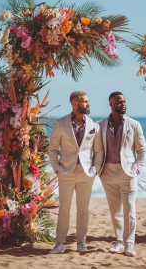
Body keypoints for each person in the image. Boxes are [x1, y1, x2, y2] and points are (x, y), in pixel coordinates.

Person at [48, 90, 103, 254]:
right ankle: (60, 243)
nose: (88, 104)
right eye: (85, 101)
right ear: (74, 103)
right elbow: (52, 149)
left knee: (83, 209)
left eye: (87, 101)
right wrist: (57, 168)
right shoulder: (60, 123)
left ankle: (81, 243)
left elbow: (98, 151)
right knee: (64, 208)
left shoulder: (94, 125)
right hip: (66, 172)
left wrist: (95, 169)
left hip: (86, 173)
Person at [98, 91, 146, 257]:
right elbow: (96, 150)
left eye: (124, 101)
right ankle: (119, 242)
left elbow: (142, 151)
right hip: (107, 172)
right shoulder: (101, 125)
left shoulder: (134, 125)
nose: (123, 104)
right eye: (119, 102)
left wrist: (136, 168)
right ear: (111, 104)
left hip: (127, 172)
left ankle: (129, 244)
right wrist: (96, 169)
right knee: (115, 210)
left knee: (129, 210)